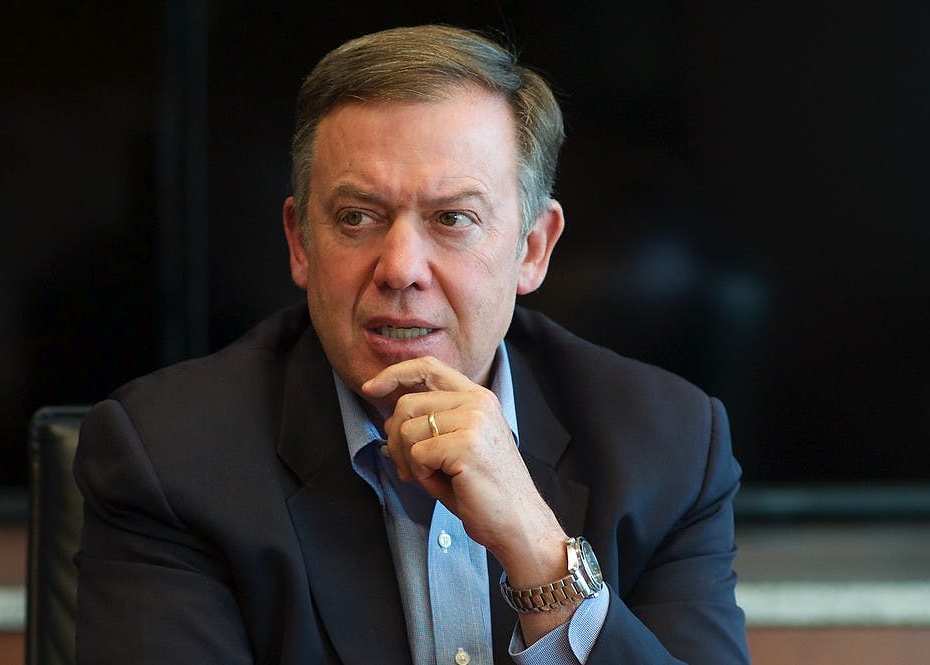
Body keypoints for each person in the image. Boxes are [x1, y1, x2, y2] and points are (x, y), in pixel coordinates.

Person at [74, 24, 749, 664]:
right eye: (357, 217)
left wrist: (540, 553)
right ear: (299, 242)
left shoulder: (671, 446)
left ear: (533, 248)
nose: (399, 267)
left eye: (453, 218)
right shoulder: (168, 457)